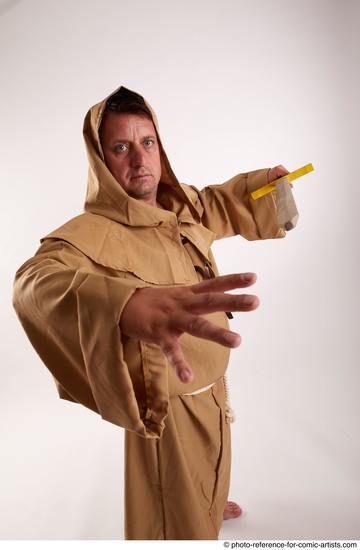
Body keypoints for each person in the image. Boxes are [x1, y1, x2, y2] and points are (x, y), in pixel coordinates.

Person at [12, 85, 290, 540]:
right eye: (121, 148)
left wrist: (271, 188)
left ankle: (210, 501)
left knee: (212, 465)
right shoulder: (90, 233)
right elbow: (34, 282)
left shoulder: (180, 206)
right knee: (171, 520)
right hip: (169, 404)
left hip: (213, 386)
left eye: (148, 143)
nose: (140, 161)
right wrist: (123, 303)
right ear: (101, 160)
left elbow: (221, 203)